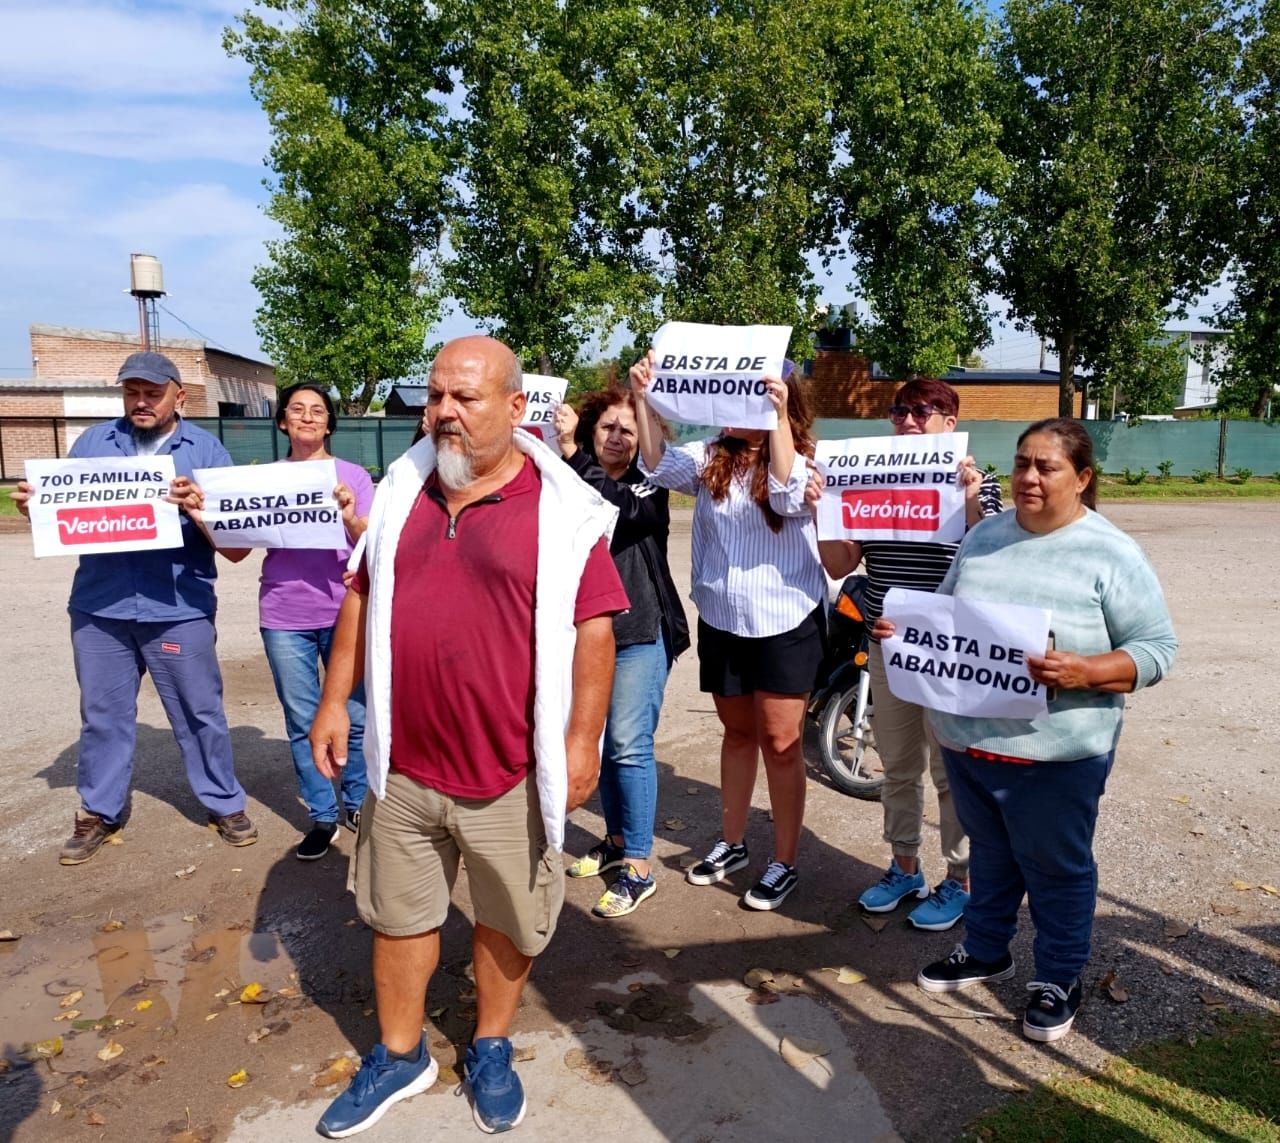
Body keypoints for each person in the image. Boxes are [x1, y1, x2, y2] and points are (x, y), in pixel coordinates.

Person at [308, 336, 628, 1137]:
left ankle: (489, 1043)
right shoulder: (400, 492)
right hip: (405, 767)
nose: (444, 412)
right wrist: (331, 702)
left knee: (507, 917)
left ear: (516, 408)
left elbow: (596, 629)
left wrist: (583, 739)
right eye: (437, 395)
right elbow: (358, 593)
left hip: (508, 770)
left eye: (466, 397)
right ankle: (399, 1051)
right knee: (398, 913)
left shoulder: (559, 510)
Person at [883, 418, 1176, 1042]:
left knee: (1056, 867)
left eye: (1047, 467)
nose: (1028, 478)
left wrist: (1085, 669)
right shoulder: (983, 536)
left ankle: (1058, 976)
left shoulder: (1110, 552)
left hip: (1056, 754)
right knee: (990, 854)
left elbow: (1156, 649)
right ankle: (987, 948)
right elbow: (946, 614)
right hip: (968, 743)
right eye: (1021, 464)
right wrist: (902, 631)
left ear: (1083, 478)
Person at [12, 351, 256, 865]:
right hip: (101, 606)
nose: (140, 402)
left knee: (199, 712)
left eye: (152, 393)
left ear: (179, 396)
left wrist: (199, 509)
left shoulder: (208, 454)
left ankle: (223, 802)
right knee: (102, 715)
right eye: (131, 393)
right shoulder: (93, 444)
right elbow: (59, 517)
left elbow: (237, 548)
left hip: (179, 607)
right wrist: (36, 505)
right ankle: (98, 811)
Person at [631, 352, 824, 911]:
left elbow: (788, 498)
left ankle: (784, 860)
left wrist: (779, 420)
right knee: (738, 735)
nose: (740, 407)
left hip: (786, 619)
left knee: (783, 743)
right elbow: (656, 466)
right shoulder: (711, 455)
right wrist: (644, 399)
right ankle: (733, 842)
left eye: (755, 395)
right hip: (723, 618)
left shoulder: (811, 459)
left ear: (782, 398)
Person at [814, 378, 1001, 931]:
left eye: (923, 411)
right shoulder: (869, 483)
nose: (909, 421)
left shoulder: (978, 481)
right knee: (897, 766)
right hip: (887, 643)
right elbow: (838, 564)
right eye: (899, 412)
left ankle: (960, 879)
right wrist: (827, 508)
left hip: (947, 650)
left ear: (951, 420)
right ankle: (904, 868)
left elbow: (993, 555)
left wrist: (970, 496)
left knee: (951, 770)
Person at [551, 388, 690, 918]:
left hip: (639, 633)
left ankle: (639, 865)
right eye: (607, 426)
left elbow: (620, 511)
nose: (616, 436)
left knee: (630, 745)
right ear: (591, 428)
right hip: (583, 634)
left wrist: (573, 453)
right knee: (602, 741)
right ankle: (613, 840)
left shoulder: (648, 485)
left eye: (627, 430)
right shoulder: (563, 481)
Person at [259, 383, 374, 862]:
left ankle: (360, 806)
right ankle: (323, 816)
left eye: (318, 411)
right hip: (284, 613)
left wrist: (349, 518)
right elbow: (237, 546)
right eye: (297, 410)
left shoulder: (354, 477)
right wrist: (207, 513)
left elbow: (374, 540)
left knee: (358, 716)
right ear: (283, 421)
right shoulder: (263, 479)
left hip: (347, 611)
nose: (308, 417)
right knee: (302, 719)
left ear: (330, 423)